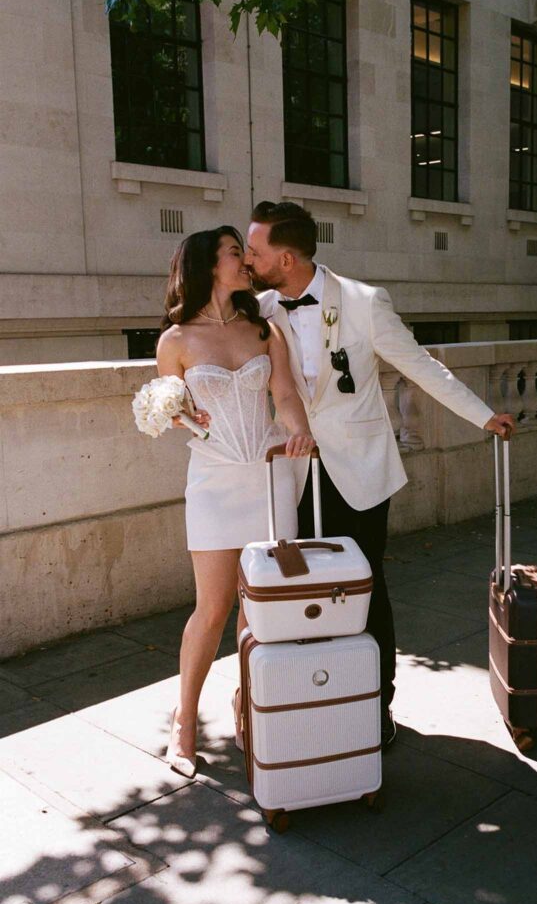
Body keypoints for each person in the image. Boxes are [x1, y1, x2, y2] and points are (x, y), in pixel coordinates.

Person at [244, 202, 516, 751]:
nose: (248, 260)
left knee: (365, 589)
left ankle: (377, 704)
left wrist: (483, 416)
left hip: (359, 472)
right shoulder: (261, 308)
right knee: (299, 591)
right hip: (294, 475)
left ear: (287, 258)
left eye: (255, 252)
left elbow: (421, 365)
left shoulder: (364, 303)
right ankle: (317, 698)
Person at [156, 225, 315, 777]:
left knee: (260, 608)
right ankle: (184, 722)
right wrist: (182, 416)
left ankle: (248, 705)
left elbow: (284, 394)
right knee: (213, 608)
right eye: (233, 253)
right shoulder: (175, 340)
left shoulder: (264, 329)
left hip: (268, 480)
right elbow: (170, 409)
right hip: (213, 482)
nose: (244, 261)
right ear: (208, 265)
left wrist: (299, 430)